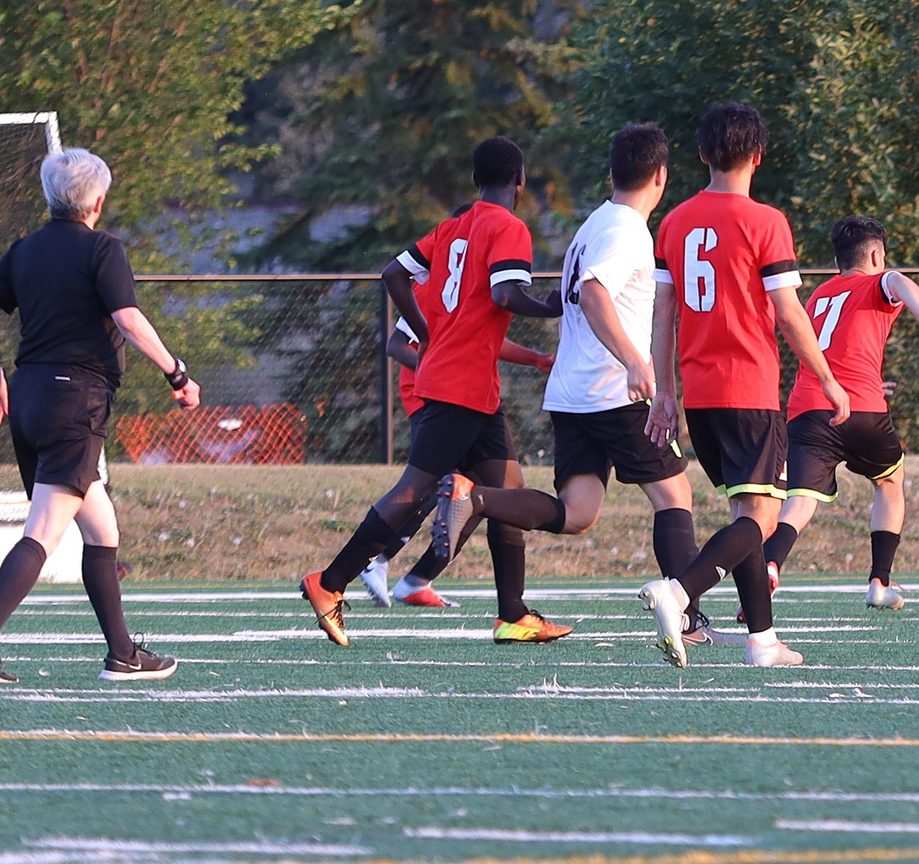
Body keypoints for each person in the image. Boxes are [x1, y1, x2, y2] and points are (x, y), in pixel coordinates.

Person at [434, 123, 708, 631]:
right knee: (675, 496)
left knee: (578, 512)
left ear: (612, 173)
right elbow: (595, 293)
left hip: (572, 392)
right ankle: (689, 618)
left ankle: (474, 499)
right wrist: (634, 360)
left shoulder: (594, 224)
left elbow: (581, 292)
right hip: (613, 391)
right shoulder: (627, 230)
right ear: (662, 176)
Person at [299, 137, 569, 647]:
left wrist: (427, 331)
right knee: (410, 491)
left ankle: (512, 613)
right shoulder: (509, 226)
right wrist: (557, 304)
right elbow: (505, 293)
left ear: (475, 181)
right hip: (459, 385)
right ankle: (328, 582)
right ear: (521, 179)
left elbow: (392, 273)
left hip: (469, 384)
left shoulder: (451, 228)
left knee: (505, 494)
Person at [638, 102, 847, 668]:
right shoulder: (766, 221)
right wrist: (827, 376)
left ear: (702, 154)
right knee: (760, 519)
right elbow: (788, 310)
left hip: (700, 397)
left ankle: (762, 640)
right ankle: (679, 592)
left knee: (747, 517)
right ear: (758, 155)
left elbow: (663, 314)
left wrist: (665, 390)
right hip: (750, 391)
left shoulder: (674, 221)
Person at [0, 147, 200, 683]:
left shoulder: (25, 248)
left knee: (101, 528)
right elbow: (127, 318)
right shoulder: (103, 249)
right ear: (98, 200)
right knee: (45, 530)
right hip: (74, 401)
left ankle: (122, 652)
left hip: (32, 399)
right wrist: (177, 372)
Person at [761, 215, 919, 610]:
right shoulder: (877, 281)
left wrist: (863, 379)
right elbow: (898, 281)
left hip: (809, 409)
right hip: (862, 409)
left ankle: (770, 562)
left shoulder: (817, 297)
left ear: (837, 261)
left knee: (800, 501)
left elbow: (827, 350)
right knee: (890, 481)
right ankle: (879, 582)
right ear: (877, 254)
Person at [363, 251, 553, 610]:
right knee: (441, 486)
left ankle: (417, 579)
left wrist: (537, 359)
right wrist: (435, 366)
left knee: (481, 494)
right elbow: (396, 345)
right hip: (434, 398)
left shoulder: (476, 288)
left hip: (469, 397)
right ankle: (375, 559)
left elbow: (487, 345)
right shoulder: (437, 286)